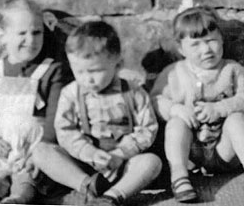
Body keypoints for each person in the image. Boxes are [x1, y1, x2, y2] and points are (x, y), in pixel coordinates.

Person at [32, 21, 162, 206]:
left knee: (152, 162)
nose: (88, 79)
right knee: (40, 151)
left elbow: (147, 128)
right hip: (84, 163)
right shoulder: (71, 93)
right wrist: (88, 152)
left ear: (117, 62)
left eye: (96, 71)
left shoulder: (133, 91)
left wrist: (121, 153)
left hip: (123, 163)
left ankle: (112, 197)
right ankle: (87, 187)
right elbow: (65, 130)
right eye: (80, 72)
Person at [150, 0, 244, 202]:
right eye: (195, 44)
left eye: (211, 40)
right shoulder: (173, 73)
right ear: (181, 48)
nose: (206, 49)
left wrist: (220, 108)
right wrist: (176, 109)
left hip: (225, 150)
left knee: (237, 119)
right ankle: (179, 175)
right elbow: (155, 100)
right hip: (192, 154)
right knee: (176, 124)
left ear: (221, 39)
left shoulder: (231, 69)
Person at [0, 0, 67, 205]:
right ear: (3, 36)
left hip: (38, 146)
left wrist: (41, 152)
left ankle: (18, 199)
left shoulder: (51, 70)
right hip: (4, 147)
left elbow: (55, 117)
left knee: (27, 180)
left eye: (36, 32)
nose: (31, 40)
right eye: (22, 33)